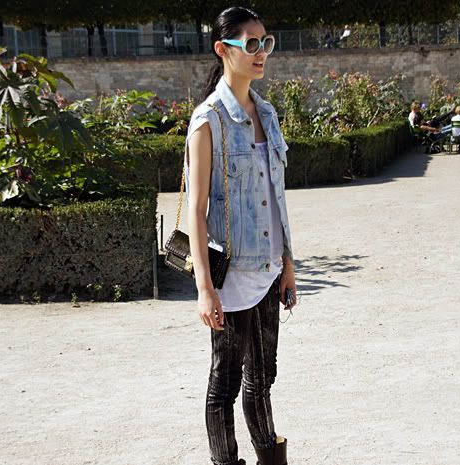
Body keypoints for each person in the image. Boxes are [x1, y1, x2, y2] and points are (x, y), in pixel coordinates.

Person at [185, 7, 296, 465]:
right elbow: (196, 210)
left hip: (268, 270)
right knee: (225, 384)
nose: (261, 52)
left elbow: (276, 196)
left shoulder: (267, 114)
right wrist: (204, 289)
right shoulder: (207, 120)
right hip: (229, 279)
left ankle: (271, 457)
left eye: (265, 43)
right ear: (223, 49)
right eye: (251, 43)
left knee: (263, 378)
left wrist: (288, 264)